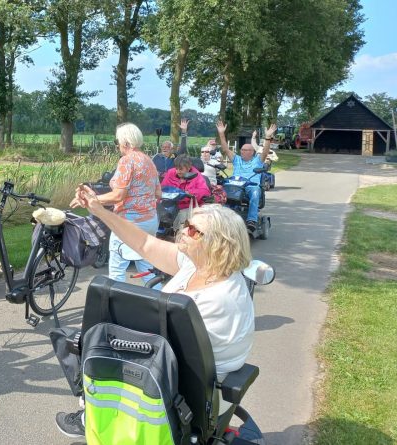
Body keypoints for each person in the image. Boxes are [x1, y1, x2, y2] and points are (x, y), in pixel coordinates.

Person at [56, 195, 255, 438]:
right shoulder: (199, 266)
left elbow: (169, 353)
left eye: (193, 230)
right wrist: (100, 211)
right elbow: (145, 244)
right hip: (169, 376)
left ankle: (94, 417)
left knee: (87, 343)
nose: (183, 231)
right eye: (185, 224)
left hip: (188, 397)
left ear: (218, 244)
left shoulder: (219, 299)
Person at [72, 122, 160, 284]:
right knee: (147, 270)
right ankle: (161, 305)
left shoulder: (127, 161)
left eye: (117, 141)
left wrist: (92, 199)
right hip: (150, 221)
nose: (117, 144)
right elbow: (158, 193)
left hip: (129, 223)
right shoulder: (149, 161)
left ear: (125, 142)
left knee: (117, 272)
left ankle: (113, 306)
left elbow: (118, 195)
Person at [216, 120, 276, 231]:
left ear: (252, 152)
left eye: (245, 150)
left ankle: (251, 220)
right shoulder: (236, 159)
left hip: (250, 186)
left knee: (255, 192)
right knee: (220, 192)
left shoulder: (258, 160)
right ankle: (221, 218)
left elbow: (265, 151)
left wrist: (268, 137)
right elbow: (225, 148)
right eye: (242, 149)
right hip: (235, 185)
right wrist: (221, 133)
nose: (242, 152)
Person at [161, 155, 211, 230]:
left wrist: (188, 193)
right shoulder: (171, 172)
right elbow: (163, 188)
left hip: (187, 206)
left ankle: (180, 234)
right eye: (176, 168)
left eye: (180, 169)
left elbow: (205, 191)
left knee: (183, 217)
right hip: (171, 204)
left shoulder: (196, 175)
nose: (178, 171)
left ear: (188, 168)